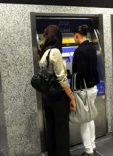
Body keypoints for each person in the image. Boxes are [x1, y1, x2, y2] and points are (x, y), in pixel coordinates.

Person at [39, 25, 76, 156]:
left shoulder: (44, 52)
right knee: (62, 132)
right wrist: (72, 97)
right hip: (58, 98)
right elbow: (62, 79)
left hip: (47, 97)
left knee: (51, 129)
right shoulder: (55, 52)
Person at [72, 25, 99, 156]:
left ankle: (88, 151)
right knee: (89, 118)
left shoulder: (79, 51)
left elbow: (81, 73)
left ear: (77, 35)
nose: (74, 39)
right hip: (93, 88)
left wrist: (72, 76)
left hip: (84, 91)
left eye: (74, 37)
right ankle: (93, 145)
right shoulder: (92, 47)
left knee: (83, 120)